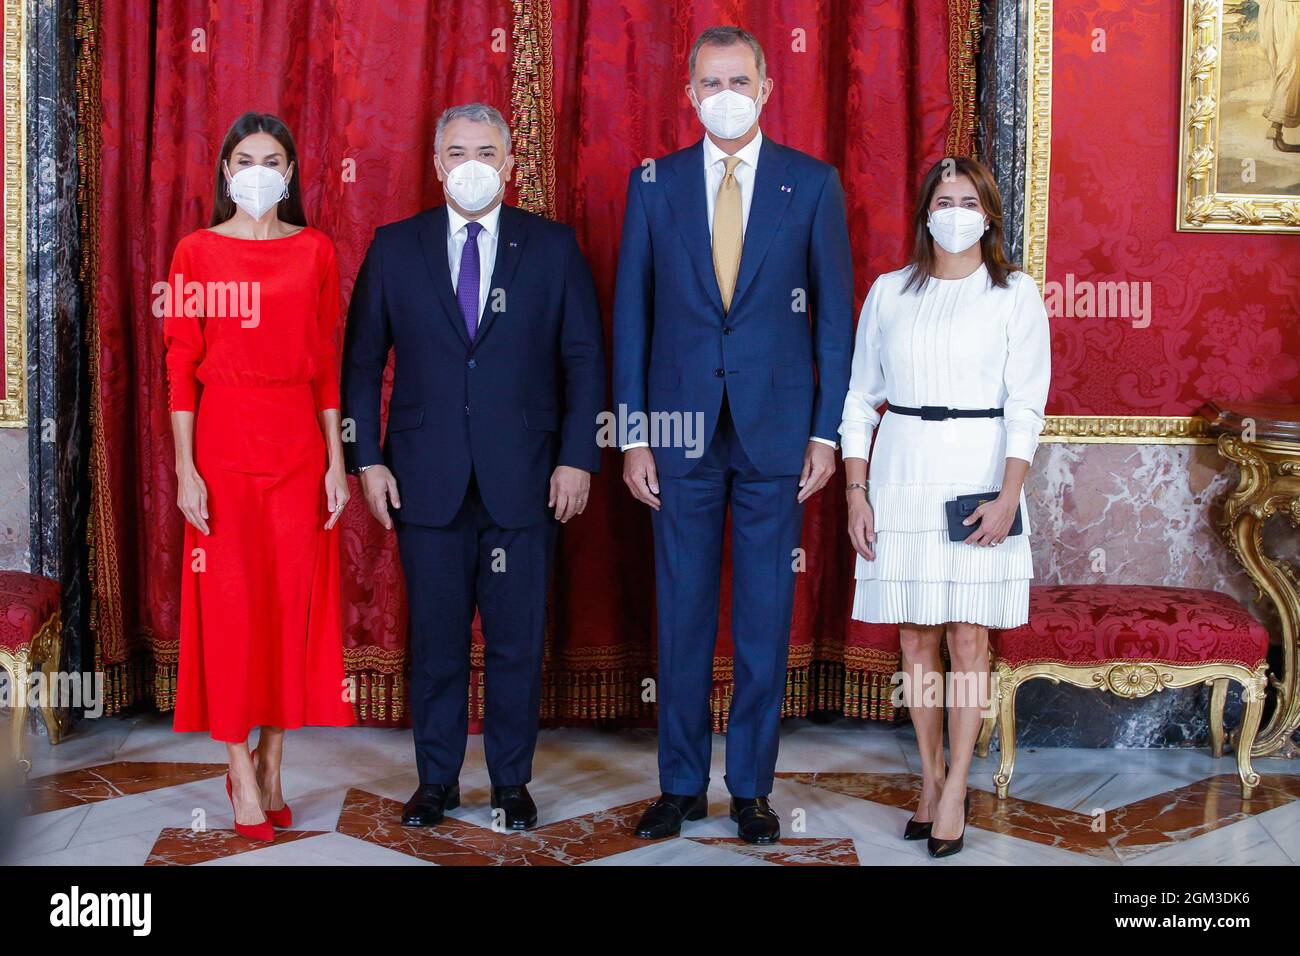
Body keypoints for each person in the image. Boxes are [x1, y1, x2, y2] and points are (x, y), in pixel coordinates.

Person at [613, 26, 854, 845]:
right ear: (689, 93)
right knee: (680, 617)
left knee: (761, 618)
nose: (725, 93)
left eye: (739, 79)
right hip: (677, 435)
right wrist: (633, 436)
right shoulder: (654, 185)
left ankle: (751, 787)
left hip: (776, 434)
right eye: (710, 81)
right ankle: (679, 785)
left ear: (766, 88)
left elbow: (833, 325)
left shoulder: (812, 186)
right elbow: (631, 318)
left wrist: (826, 433)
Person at [343, 103, 605, 831]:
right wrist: (366, 458)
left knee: (518, 642)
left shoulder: (552, 249)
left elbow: (584, 360)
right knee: (435, 644)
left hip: (526, 479)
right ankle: (436, 782)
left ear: (511, 164)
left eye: (486, 152)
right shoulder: (395, 248)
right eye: (456, 152)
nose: (471, 166)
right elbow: (362, 364)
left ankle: (512, 784)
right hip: (425, 481)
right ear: (435, 164)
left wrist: (578, 458)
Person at [840, 156, 1051, 858]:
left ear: (989, 214)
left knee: (969, 638)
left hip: (980, 469)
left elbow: (1026, 405)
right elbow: (858, 398)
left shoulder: (1014, 293)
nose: (955, 210)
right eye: (943, 198)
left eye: (969, 200)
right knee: (914, 637)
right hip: (902, 467)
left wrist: (1008, 495)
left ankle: (957, 783)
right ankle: (928, 776)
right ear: (925, 209)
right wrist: (855, 490)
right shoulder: (889, 291)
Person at [164, 112, 355, 843]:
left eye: (273, 159)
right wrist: (185, 468)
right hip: (222, 443)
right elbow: (180, 367)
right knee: (229, 608)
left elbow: (327, 367)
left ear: (292, 173)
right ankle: (238, 767)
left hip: (297, 448)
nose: (258, 170)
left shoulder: (315, 251)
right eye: (245, 158)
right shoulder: (194, 252)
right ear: (224, 170)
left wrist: (336, 463)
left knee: (288, 608)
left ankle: (273, 760)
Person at [1259, 0, 1300, 152]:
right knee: (1290, 70)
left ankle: (1276, 132)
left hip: (1274, 10)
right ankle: (1275, 127)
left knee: (1287, 70)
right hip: (1287, 10)